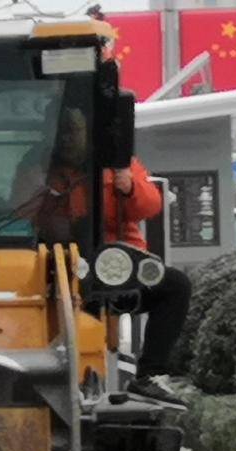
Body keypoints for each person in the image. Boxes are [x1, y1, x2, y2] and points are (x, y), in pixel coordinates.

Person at [12, 105, 191, 406]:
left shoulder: (116, 163)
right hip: (55, 266)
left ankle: (149, 374)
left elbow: (150, 206)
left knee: (176, 286)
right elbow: (17, 213)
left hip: (112, 266)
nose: (67, 138)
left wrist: (129, 187)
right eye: (61, 131)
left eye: (74, 130)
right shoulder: (35, 166)